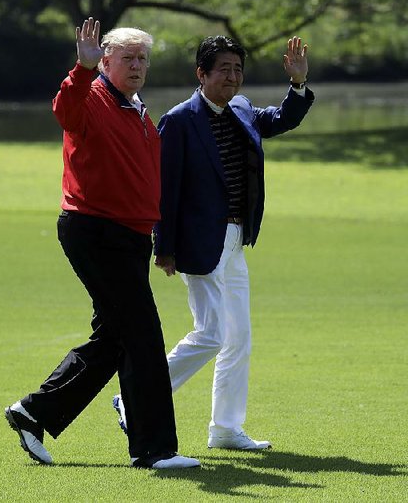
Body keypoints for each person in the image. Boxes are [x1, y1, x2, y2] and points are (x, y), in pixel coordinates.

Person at [4, 17, 199, 469]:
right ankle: (154, 450)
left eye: (142, 58)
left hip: (130, 236)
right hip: (96, 230)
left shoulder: (136, 108)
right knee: (144, 335)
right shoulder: (90, 96)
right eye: (127, 58)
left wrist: (160, 236)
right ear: (106, 60)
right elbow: (64, 110)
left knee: (116, 339)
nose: (136, 65)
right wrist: (81, 69)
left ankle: (35, 411)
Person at [113, 35, 314, 450]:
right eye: (223, 69)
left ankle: (225, 428)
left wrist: (296, 85)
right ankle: (133, 399)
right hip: (198, 242)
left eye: (238, 69)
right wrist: (163, 246)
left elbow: (281, 119)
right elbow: (165, 190)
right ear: (201, 74)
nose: (233, 77)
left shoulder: (240, 109)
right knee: (212, 334)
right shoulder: (179, 120)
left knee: (238, 337)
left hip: (236, 238)